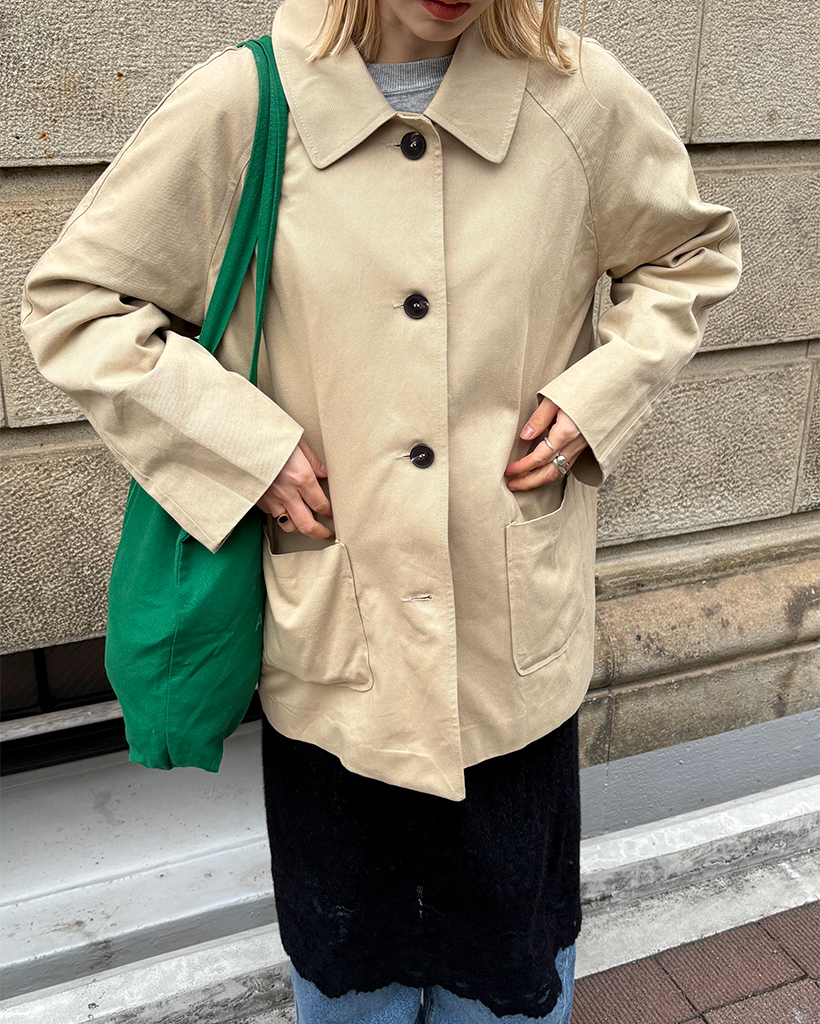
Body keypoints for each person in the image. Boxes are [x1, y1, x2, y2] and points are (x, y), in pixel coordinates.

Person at [21, 0, 741, 1019]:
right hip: (337, 654)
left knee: (513, 986)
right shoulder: (245, 102)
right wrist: (247, 451)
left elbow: (687, 255)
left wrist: (599, 395)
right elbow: (79, 303)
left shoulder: (574, 94)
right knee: (347, 984)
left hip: (507, 654)